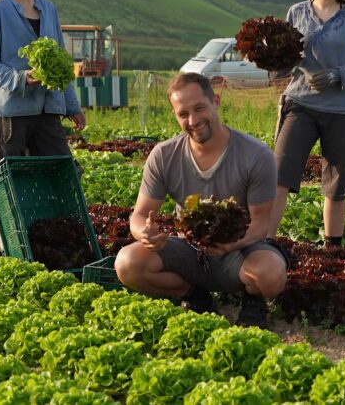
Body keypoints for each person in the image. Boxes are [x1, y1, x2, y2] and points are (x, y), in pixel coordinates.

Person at [114, 73, 287, 327]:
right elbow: (139, 215)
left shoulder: (255, 154)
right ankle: (192, 293)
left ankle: (253, 300)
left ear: (215, 102)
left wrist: (230, 244)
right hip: (190, 251)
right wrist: (144, 233)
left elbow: (262, 224)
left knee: (270, 274)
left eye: (199, 108)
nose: (193, 120)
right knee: (128, 264)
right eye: (183, 114)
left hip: (241, 251)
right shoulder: (164, 155)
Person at [0, 0, 86, 246]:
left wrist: (71, 105)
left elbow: (60, 62)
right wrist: (21, 78)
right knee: (2, 173)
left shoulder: (49, 9)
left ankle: (53, 237)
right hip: (10, 111)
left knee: (63, 170)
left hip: (48, 108)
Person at [266, 0, 345, 247]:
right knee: (280, 173)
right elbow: (284, 61)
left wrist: (337, 75)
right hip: (301, 102)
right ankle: (265, 242)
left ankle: (332, 248)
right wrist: (274, 61)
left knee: (336, 182)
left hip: (342, 108)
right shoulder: (296, 12)